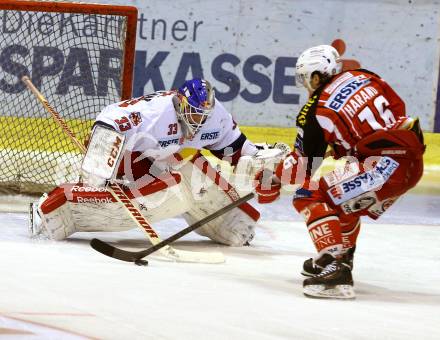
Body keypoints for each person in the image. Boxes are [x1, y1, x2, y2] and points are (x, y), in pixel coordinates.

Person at [30, 78, 288, 246]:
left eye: (203, 115)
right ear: (181, 102)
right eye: (194, 113)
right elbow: (110, 119)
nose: (198, 121)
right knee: (160, 190)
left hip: (157, 155)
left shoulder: (215, 117)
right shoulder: (152, 114)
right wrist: (99, 172)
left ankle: (227, 222)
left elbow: (234, 147)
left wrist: (258, 162)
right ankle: (52, 209)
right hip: (121, 150)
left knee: (191, 175)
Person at [255, 45, 425, 299]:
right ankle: (339, 257)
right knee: (342, 200)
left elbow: (303, 169)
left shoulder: (315, 109)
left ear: (315, 76)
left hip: (381, 168)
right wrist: (350, 146)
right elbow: (396, 113)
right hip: (411, 162)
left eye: (305, 79)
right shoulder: (365, 76)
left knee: (308, 194)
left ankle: (336, 270)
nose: (306, 86)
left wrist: (274, 178)